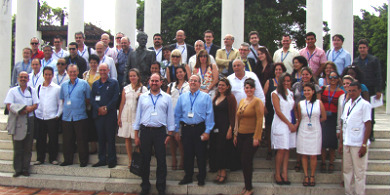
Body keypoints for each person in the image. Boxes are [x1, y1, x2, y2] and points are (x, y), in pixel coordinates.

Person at [133, 73, 175, 195]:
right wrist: (136, 135)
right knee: (145, 160)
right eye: (152, 81)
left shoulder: (167, 97)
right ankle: (145, 186)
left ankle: (161, 187)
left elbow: (170, 117)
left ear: (161, 82)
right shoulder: (143, 97)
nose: (154, 83)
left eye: (157, 81)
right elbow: (138, 116)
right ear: (149, 82)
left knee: (161, 161)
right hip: (145, 131)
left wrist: (169, 134)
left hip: (160, 132)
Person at [175, 75, 214, 186]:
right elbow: (177, 114)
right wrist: (177, 130)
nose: (193, 82)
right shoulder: (182, 97)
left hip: (199, 129)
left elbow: (209, 115)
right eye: (191, 80)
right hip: (186, 129)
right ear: (188, 82)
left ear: (199, 83)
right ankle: (188, 176)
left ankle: (201, 177)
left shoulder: (205, 97)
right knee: (187, 154)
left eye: (195, 81)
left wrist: (207, 131)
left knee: (201, 154)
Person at [339, 81, 372, 195]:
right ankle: (349, 192)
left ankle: (359, 193)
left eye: (354, 90)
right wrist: (341, 143)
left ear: (359, 91)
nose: (351, 93)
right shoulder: (348, 104)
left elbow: (368, 125)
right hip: (347, 141)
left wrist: (364, 144)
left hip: (358, 143)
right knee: (347, 171)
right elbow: (344, 123)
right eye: (350, 90)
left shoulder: (365, 105)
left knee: (359, 172)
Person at [5, 71, 39, 177]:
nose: (23, 79)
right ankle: (17, 169)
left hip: (29, 120)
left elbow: (36, 104)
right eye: (21, 77)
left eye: (25, 77)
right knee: (18, 147)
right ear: (18, 78)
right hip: (18, 120)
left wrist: (28, 110)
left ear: (28, 79)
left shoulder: (31, 90)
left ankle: (25, 169)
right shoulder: (12, 91)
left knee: (28, 147)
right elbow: (9, 106)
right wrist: (21, 110)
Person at [233, 78, 264, 195]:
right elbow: (238, 119)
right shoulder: (242, 101)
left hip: (251, 135)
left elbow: (260, 120)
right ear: (244, 89)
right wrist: (235, 134)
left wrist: (257, 137)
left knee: (247, 161)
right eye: (247, 87)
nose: (249, 89)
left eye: (251, 87)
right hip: (241, 134)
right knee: (243, 162)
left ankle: (249, 187)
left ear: (254, 89)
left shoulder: (257, 101)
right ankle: (246, 186)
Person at [59, 64, 91, 167]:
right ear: (67, 73)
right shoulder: (63, 85)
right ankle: (67, 160)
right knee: (67, 140)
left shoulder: (84, 84)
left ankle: (83, 160)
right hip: (67, 116)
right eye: (70, 72)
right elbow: (63, 99)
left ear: (77, 72)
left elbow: (88, 99)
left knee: (81, 140)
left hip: (80, 116)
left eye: (74, 71)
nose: (72, 73)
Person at [297, 82, 326, 187]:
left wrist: (315, 122)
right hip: (303, 130)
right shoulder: (300, 103)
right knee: (304, 154)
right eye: (305, 90)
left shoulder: (319, 102)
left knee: (313, 155)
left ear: (313, 91)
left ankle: (312, 175)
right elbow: (299, 118)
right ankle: (306, 175)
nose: (307, 92)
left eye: (309, 90)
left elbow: (324, 117)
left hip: (315, 130)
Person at [353, 39, 382, 142]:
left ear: (367, 48)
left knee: (370, 112)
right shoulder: (355, 61)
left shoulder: (373, 60)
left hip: (371, 89)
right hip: (359, 89)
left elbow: (378, 75)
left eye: (364, 47)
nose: (362, 50)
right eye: (360, 48)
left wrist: (379, 90)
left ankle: (371, 133)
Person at [90, 64, 119, 168]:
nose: (102, 72)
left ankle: (112, 160)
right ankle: (102, 159)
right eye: (101, 70)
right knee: (100, 138)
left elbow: (115, 97)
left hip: (110, 115)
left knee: (110, 138)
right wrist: (98, 108)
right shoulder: (95, 84)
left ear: (108, 70)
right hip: (98, 115)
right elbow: (92, 99)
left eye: (104, 70)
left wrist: (106, 108)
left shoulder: (114, 83)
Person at [118, 68, 147, 168]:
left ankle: (138, 160)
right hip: (127, 114)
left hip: (137, 115)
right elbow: (122, 103)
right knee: (127, 138)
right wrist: (119, 117)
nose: (132, 77)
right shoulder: (126, 88)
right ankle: (130, 159)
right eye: (130, 76)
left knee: (137, 139)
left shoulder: (144, 89)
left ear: (138, 76)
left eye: (134, 75)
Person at [271, 73, 296, 186]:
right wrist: (289, 124)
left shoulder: (290, 93)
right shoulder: (275, 93)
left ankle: (285, 173)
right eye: (284, 81)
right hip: (281, 124)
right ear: (280, 82)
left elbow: (294, 109)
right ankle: (277, 173)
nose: (286, 83)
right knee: (281, 149)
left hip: (290, 124)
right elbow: (278, 111)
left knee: (287, 149)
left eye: (288, 81)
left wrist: (295, 123)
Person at [34, 66, 62, 166]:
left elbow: (60, 103)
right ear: (43, 75)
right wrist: (37, 112)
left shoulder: (57, 88)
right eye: (46, 74)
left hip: (52, 117)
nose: (48, 76)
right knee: (40, 139)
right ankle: (40, 158)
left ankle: (53, 158)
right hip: (40, 116)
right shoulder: (39, 87)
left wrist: (57, 115)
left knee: (53, 139)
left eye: (50, 74)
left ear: (52, 75)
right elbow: (36, 101)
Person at [210, 78, 237, 184]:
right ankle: (219, 172)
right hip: (215, 127)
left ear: (228, 87)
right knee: (216, 150)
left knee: (223, 150)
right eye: (219, 85)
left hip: (225, 127)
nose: (220, 87)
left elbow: (233, 114)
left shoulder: (230, 98)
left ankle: (223, 173)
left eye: (223, 85)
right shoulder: (216, 97)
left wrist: (231, 129)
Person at [320, 71, 344, 173]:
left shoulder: (341, 92)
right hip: (324, 117)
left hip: (334, 118)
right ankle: (323, 162)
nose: (333, 79)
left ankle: (331, 163)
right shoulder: (323, 89)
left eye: (335, 77)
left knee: (332, 143)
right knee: (323, 142)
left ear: (338, 79)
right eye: (331, 77)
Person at [166, 66, 189, 170]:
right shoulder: (171, 85)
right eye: (177, 72)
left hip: (183, 116)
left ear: (184, 73)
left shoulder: (188, 85)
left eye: (181, 72)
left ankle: (183, 159)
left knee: (179, 138)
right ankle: (174, 158)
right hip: (171, 115)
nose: (179, 74)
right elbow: (166, 99)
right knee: (171, 137)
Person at [263, 63, 287, 160]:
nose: (278, 71)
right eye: (276, 69)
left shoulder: (286, 82)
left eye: (280, 69)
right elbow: (263, 95)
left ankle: (278, 150)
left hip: (282, 111)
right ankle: (269, 150)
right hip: (270, 110)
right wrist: (264, 107)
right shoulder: (269, 82)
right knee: (269, 130)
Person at [83, 54, 101, 154]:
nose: (93, 64)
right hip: (87, 103)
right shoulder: (85, 74)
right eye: (91, 62)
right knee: (89, 125)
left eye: (95, 62)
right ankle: (92, 146)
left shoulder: (100, 73)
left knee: (96, 125)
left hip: (97, 102)